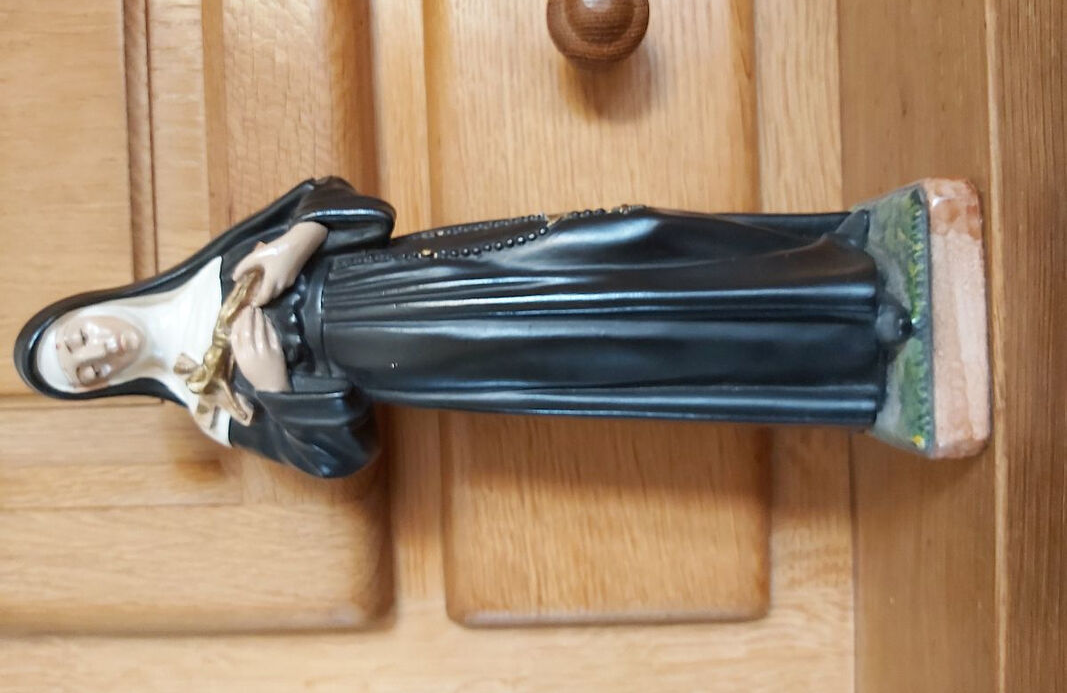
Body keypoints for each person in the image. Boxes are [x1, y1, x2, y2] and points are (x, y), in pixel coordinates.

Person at [15, 176, 906, 478]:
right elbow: (335, 458)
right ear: (106, 389)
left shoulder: (212, 268)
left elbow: (347, 201)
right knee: (616, 344)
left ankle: (831, 263)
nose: (96, 354)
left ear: (86, 310)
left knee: (627, 239)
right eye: (86, 373)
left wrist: (293, 245)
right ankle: (841, 344)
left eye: (75, 340)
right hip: (445, 353)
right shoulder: (214, 405)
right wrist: (282, 393)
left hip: (432, 273)